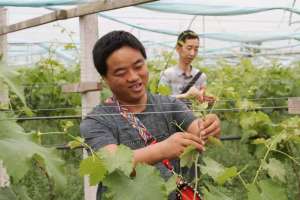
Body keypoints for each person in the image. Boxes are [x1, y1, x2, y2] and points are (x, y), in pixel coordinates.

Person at [80, 30, 221, 199]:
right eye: (121, 72)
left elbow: (198, 131)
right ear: (105, 78)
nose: (133, 77)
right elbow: (113, 163)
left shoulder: (170, 105)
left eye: (138, 66)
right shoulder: (95, 122)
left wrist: (209, 126)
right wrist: (162, 150)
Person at [159, 30, 208, 103]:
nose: (192, 53)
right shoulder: (167, 74)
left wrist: (206, 99)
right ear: (178, 48)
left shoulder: (201, 77)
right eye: (189, 48)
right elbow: (161, 101)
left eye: (196, 49)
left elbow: (202, 101)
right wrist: (185, 96)